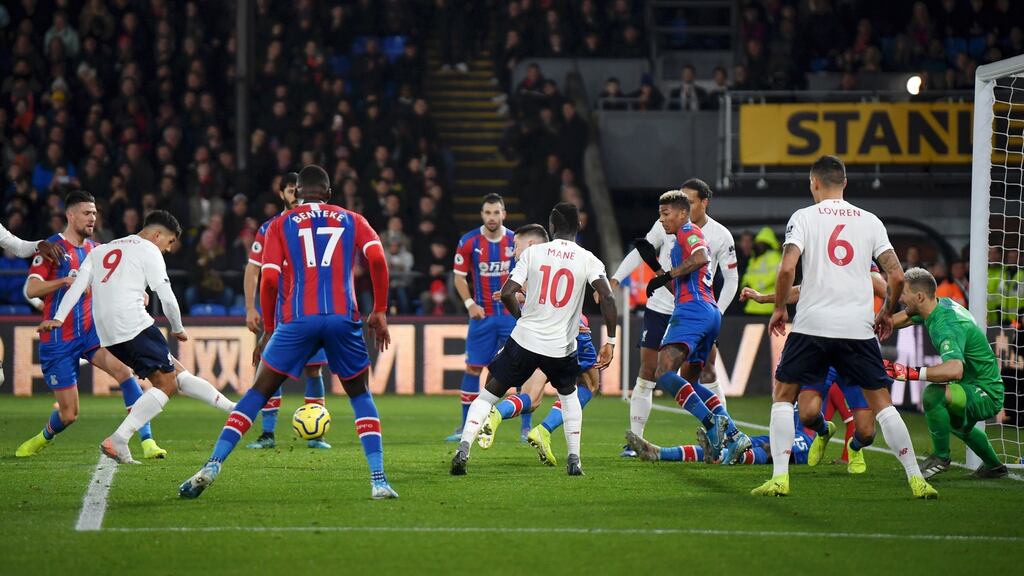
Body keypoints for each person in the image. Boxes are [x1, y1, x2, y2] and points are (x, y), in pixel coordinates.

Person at [178, 165, 398, 500]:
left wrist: (268, 329)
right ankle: (379, 481)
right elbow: (378, 260)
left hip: (297, 318)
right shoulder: (352, 218)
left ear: (298, 192)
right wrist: (379, 309)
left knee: (257, 393)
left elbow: (267, 280)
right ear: (328, 192)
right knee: (360, 395)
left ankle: (212, 464)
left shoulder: (279, 225)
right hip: (343, 316)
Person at [751, 155, 937, 499]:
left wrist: (778, 307)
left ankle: (780, 478)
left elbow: (786, 270)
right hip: (858, 328)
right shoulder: (870, 221)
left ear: (814, 184)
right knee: (883, 405)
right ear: (845, 184)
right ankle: (916, 479)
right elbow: (895, 275)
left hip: (812, 326)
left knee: (782, 397)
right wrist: (884, 312)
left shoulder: (803, 217)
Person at [37, 210, 236, 464]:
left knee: (176, 372)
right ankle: (118, 439)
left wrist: (59, 317)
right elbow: (166, 296)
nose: (169, 249)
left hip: (108, 334)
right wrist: (178, 327)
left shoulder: (101, 250)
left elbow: (77, 285)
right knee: (167, 385)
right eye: (170, 241)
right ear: (157, 235)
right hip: (133, 323)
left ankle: (232, 408)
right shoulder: (148, 249)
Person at [450, 203, 616, 476]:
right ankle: (574, 459)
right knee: (570, 396)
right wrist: (610, 341)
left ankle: (463, 449)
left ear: (551, 227)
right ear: (579, 227)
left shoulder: (533, 253)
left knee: (489, 393)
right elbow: (607, 298)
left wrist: (522, 318)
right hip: (561, 346)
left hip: (525, 340)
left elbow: (507, 292)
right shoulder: (589, 259)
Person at [16, 191, 165, 460]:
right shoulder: (51, 248)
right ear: (70, 215)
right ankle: (42, 437)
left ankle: (147, 441)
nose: (92, 218)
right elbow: (32, 287)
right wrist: (64, 282)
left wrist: (137, 293)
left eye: (94, 213)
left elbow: (116, 281)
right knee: (69, 414)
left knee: (125, 373)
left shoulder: (97, 250)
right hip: (59, 339)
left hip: (91, 334)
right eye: (86, 213)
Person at [738, 260, 890, 474]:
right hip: (824, 351)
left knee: (866, 433)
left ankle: (854, 447)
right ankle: (824, 430)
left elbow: (885, 289)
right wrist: (765, 299)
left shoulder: (861, 254)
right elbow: (801, 291)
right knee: (807, 415)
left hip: (854, 352)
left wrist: (886, 309)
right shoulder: (822, 256)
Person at [472, 224, 603, 467]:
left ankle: (497, 412)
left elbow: (526, 292)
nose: (513, 251)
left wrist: (519, 298)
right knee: (590, 384)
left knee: (532, 399)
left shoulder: (534, 258)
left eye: (515, 246)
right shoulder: (573, 255)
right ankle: (544, 429)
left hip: (535, 334)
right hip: (569, 330)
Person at [641, 190, 751, 464]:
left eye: (666, 214)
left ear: (682, 213)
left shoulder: (689, 232)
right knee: (687, 382)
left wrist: (667, 273)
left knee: (663, 373)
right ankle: (735, 435)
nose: (662, 220)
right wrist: (656, 268)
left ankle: (714, 424)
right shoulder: (679, 241)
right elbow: (680, 286)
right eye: (659, 215)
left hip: (693, 311)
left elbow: (702, 257)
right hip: (706, 311)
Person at [887, 267, 1007, 479]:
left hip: (984, 391)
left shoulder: (946, 326)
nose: (901, 299)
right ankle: (994, 467)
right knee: (953, 424)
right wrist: (872, 327)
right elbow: (905, 318)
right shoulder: (935, 306)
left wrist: (910, 372)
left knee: (934, 395)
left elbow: (954, 369)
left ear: (920, 296)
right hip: (973, 386)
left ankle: (941, 458)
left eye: (904, 293)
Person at [242, 172, 331, 450]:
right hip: (281, 315)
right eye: (291, 191)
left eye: (298, 191)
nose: (296, 196)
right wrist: (249, 307)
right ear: (282, 194)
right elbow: (253, 269)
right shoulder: (271, 228)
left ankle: (316, 436)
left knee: (314, 372)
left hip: (310, 311)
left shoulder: (317, 225)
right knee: (271, 371)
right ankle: (268, 434)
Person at [447, 194, 518, 442]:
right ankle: (465, 426)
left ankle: (526, 428)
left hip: (512, 317)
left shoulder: (515, 241)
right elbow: (458, 277)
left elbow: (529, 273)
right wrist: (469, 304)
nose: (492, 217)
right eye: (487, 212)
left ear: (504, 214)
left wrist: (520, 297)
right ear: (482, 214)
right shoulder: (469, 241)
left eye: (496, 212)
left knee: (524, 370)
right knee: (473, 368)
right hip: (482, 317)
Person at [678, 179, 739, 404]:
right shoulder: (668, 226)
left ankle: (725, 428)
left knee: (706, 370)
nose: (684, 208)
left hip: (701, 310)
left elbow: (732, 278)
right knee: (659, 371)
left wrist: (717, 311)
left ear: (705, 202)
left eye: (690, 202)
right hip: (669, 308)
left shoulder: (721, 235)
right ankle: (722, 426)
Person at [627, 408, 815, 466]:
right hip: (778, 433)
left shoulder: (821, 380)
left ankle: (724, 455)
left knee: (767, 451)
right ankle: (660, 453)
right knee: (736, 443)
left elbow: (843, 417)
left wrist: (844, 457)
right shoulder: (797, 378)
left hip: (805, 440)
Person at [739, 226, 781, 315]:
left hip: (767, 306)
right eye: (759, 243)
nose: (760, 245)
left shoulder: (774, 256)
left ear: (768, 243)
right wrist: (745, 285)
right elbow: (748, 275)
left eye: (762, 243)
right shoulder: (755, 258)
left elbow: (775, 276)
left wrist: (754, 287)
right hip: (752, 306)